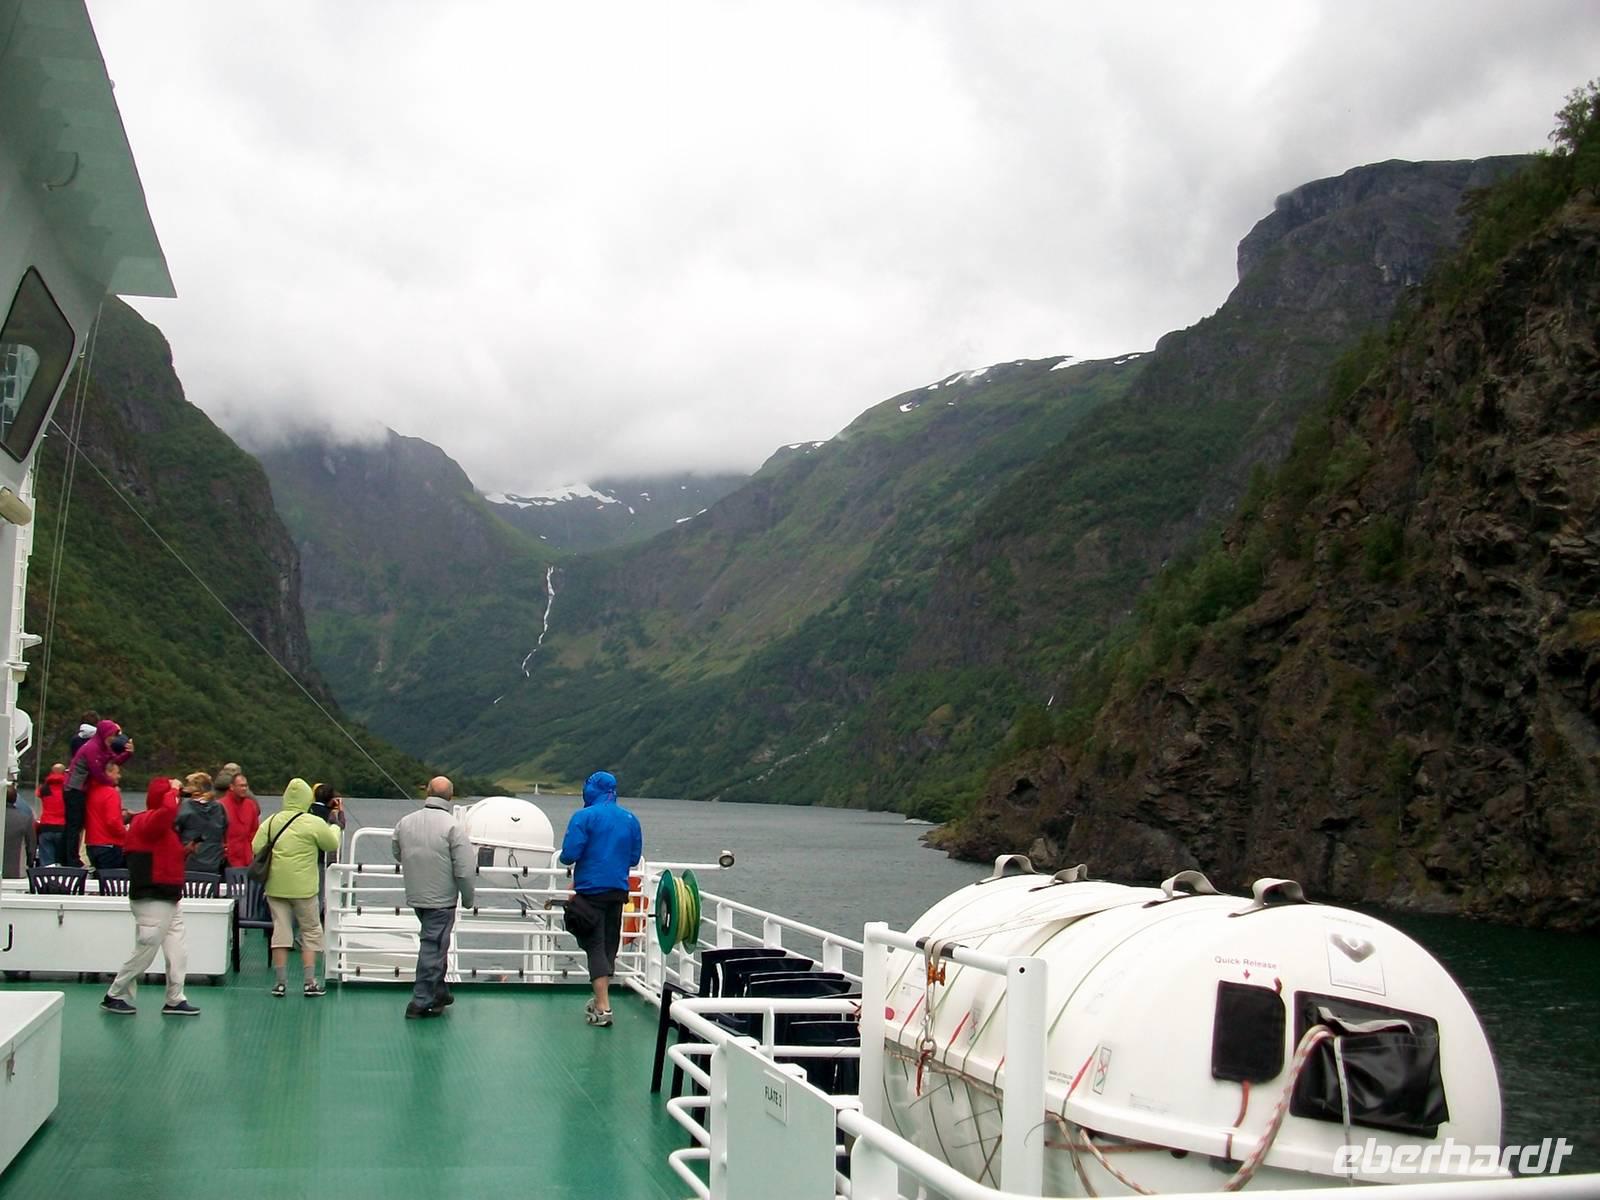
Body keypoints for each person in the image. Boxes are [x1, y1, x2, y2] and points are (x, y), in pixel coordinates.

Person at [100, 777, 200, 1016]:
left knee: (177, 950)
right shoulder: (149, 821)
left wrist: (185, 852)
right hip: (152, 897)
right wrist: (173, 790)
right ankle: (115, 994)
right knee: (146, 950)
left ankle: (175, 998)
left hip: (167, 896)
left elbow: (163, 856)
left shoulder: (156, 826)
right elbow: (167, 811)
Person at [559, 770, 642, 1028]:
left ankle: (603, 1007)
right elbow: (633, 858)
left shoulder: (584, 817)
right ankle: (600, 997)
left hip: (590, 891)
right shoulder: (630, 819)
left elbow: (568, 855)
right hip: (617, 891)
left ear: (591, 789)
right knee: (608, 946)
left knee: (594, 945)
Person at [391, 776, 475, 1020]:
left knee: (436, 945)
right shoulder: (453, 827)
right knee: (433, 947)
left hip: (416, 895)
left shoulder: (405, 822)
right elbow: (465, 869)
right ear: (451, 796)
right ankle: (420, 1002)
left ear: (427, 792)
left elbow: (397, 851)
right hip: (442, 900)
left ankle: (439, 993)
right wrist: (468, 898)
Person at [252, 778, 341, 997]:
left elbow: (256, 846)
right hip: (304, 888)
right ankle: (309, 982)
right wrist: (335, 827)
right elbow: (331, 844)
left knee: (281, 931)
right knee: (310, 931)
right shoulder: (313, 822)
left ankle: (280, 983)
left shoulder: (272, 821)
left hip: (275, 886)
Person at [61, 719, 133, 868]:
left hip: (82, 787)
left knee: (76, 824)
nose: (113, 739)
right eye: (112, 735)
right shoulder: (92, 748)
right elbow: (98, 772)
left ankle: (68, 857)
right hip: (74, 788)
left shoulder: (102, 747)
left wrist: (127, 754)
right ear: (104, 734)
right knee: (74, 825)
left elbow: (112, 763)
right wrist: (112, 786)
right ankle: (70, 859)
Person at [175, 771, 228, 877]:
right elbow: (225, 829)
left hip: (189, 864)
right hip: (213, 864)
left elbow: (174, 830)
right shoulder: (219, 808)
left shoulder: (185, 807)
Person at [83, 761, 130, 870]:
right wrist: (126, 833)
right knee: (113, 878)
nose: (119, 776)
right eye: (116, 773)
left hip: (91, 844)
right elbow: (113, 821)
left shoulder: (89, 791)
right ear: (107, 773)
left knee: (99, 877)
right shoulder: (111, 793)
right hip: (109, 845)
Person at [219, 770, 260, 870]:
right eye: (241, 786)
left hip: (247, 858)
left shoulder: (251, 805)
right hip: (227, 859)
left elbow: (255, 831)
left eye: (245, 786)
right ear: (231, 787)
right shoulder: (221, 805)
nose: (244, 788)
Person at [34, 762, 66, 866]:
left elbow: (37, 793)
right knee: (62, 863)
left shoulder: (44, 788)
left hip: (46, 826)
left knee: (47, 864)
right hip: (62, 827)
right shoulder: (67, 788)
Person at [3, 783, 36, 878]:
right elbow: (31, 847)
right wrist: (30, 863)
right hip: (15, 872)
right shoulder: (25, 819)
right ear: (15, 799)